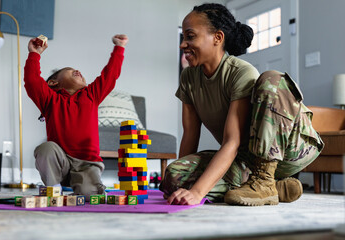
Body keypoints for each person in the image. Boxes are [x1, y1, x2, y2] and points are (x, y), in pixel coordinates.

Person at [159, 3, 324, 206]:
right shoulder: (189, 78)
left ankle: (265, 181)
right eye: (183, 37)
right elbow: (190, 135)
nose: (183, 44)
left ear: (218, 38)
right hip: (245, 160)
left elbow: (231, 142)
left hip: (290, 150)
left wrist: (197, 191)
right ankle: (274, 187)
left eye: (190, 36)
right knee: (173, 176)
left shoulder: (240, 72)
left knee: (273, 79)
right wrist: (182, 180)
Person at [24, 34, 128, 200]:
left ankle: (92, 186)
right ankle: (53, 188)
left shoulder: (91, 95)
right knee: (46, 148)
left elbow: (110, 76)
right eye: (70, 70)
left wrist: (119, 48)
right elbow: (31, 81)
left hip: (87, 163)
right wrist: (34, 54)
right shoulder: (50, 100)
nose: (77, 71)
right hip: (61, 163)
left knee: (89, 197)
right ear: (53, 83)